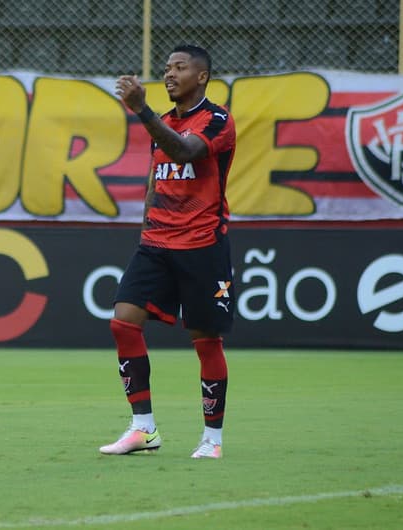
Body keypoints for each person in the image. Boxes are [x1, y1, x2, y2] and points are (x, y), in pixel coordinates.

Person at [99, 44, 236, 459]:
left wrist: (142, 111)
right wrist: (145, 229)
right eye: (167, 68)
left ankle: (212, 439)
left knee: (206, 340)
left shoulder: (217, 119)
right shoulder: (166, 124)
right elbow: (157, 179)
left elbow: (185, 151)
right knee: (123, 323)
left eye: (180, 67)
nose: (169, 74)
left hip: (202, 245)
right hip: (156, 243)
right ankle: (143, 428)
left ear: (203, 76)